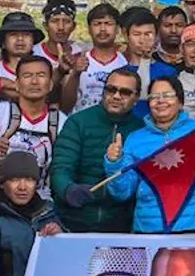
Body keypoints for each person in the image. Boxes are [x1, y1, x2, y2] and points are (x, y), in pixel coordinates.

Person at [103, 76, 195, 233]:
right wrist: (114, 163)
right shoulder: (135, 138)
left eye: (167, 95)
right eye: (154, 97)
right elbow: (122, 192)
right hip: (148, 228)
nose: (160, 101)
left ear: (180, 102)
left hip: (194, 226)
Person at [52, 69, 147, 231]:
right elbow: (61, 168)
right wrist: (69, 189)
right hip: (74, 219)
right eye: (111, 89)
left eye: (125, 92)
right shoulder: (78, 122)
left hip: (122, 226)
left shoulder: (141, 130)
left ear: (136, 98)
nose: (116, 96)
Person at [0, 55, 62, 197]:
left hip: (44, 200)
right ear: (16, 84)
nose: (34, 81)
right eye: (27, 76)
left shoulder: (62, 122)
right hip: (0, 199)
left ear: (51, 84)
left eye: (41, 75)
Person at [59, 2, 126, 112]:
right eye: (97, 24)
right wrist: (75, 74)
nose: (103, 29)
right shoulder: (74, 60)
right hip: (81, 126)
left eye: (108, 23)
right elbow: (65, 106)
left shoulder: (125, 62)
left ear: (117, 29)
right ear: (89, 29)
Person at [0, 12, 45, 95]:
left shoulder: (44, 71)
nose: (20, 39)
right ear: (3, 43)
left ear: (33, 41)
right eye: (13, 35)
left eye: (26, 35)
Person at [37, 0, 81, 70]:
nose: (61, 27)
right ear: (45, 26)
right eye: (55, 21)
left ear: (73, 26)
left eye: (67, 21)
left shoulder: (81, 55)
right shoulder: (34, 54)